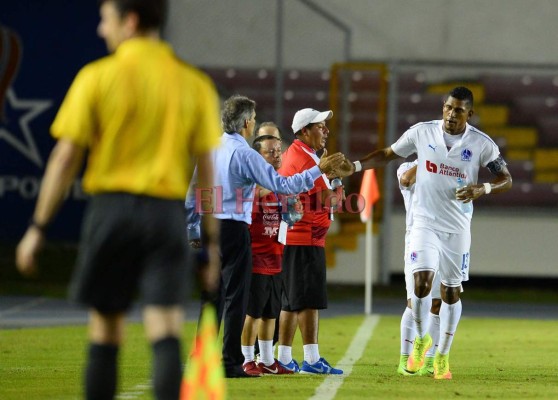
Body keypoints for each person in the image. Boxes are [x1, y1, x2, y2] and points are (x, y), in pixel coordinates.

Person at [15, 1, 222, 399]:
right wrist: (210, 242)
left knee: (106, 331)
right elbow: (207, 175)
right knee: (165, 330)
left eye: (105, 19)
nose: (99, 29)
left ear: (129, 22)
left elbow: (64, 158)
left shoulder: (97, 77)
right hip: (165, 216)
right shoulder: (194, 84)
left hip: (111, 212)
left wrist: (37, 228)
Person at [336, 87, 512, 379]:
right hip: (424, 224)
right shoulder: (422, 133)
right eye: (448, 108)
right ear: (442, 107)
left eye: (458, 110)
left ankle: (441, 356)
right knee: (421, 283)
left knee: (450, 293)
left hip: (456, 228)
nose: (451, 115)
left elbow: (506, 178)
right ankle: (420, 340)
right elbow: (388, 154)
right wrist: (354, 166)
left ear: (470, 114)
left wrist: (484, 188)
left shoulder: (481, 144)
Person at [186, 95, 346, 378]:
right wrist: (318, 170)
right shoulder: (246, 154)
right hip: (235, 229)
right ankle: (230, 362)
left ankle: (200, 358)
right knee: (237, 298)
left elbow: (198, 191)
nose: (255, 123)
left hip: (211, 228)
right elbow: (282, 184)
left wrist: (194, 229)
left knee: (211, 297)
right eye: (254, 119)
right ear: (247, 123)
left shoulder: (210, 148)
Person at [276, 108, 344, 375]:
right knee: (307, 301)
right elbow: (332, 202)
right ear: (305, 131)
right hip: (305, 239)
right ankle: (311, 359)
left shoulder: (303, 155)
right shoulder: (305, 161)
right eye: (320, 126)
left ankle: (282, 357)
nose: (326, 130)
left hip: (299, 237)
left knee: (292, 302)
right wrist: (338, 180)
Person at [240, 134, 298, 376]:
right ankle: (245, 359)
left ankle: (266, 360)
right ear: (257, 156)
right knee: (252, 313)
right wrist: (257, 194)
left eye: (278, 151)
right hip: (255, 259)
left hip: (276, 257)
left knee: (269, 313)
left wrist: (295, 214)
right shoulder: (249, 183)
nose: (277, 155)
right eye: (270, 151)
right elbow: (239, 208)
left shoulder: (279, 184)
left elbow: (288, 219)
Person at [396, 161, 442, 377]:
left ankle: (430, 360)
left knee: (437, 303)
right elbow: (405, 180)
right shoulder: (408, 165)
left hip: (445, 238)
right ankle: (405, 359)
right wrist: (427, 159)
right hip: (416, 238)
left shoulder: (449, 164)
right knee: (414, 302)